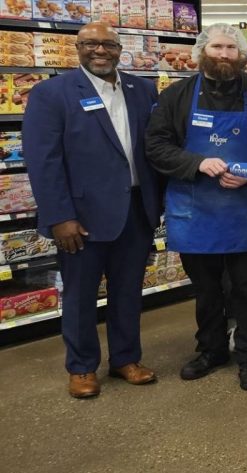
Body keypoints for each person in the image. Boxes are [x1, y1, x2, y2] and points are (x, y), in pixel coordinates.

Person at [24, 22, 161, 398]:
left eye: (107, 44)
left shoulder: (142, 89)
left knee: (129, 291)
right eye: (90, 44)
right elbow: (43, 162)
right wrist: (59, 217)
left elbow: (155, 148)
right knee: (81, 294)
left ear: (119, 49)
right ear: (77, 48)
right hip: (81, 218)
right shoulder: (52, 93)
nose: (99, 50)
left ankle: (125, 359)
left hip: (135, 210)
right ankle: (82, 367)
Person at [145, 23, 247, 391]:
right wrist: (197, 164)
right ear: (203, 51)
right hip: (195, 210)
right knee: (206, 290)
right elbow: (156, 146)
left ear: (241, 55)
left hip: (245, 211)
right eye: (217, 46)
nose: (223, 54)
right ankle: (211, 349)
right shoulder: (176, 96)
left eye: (231, 48)